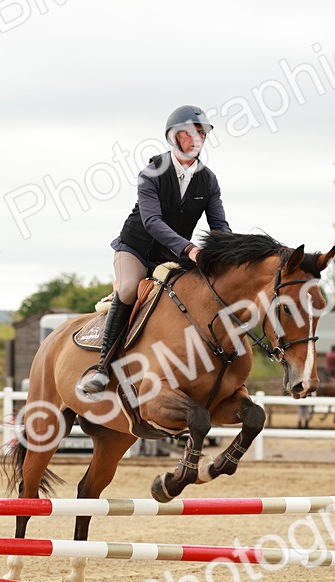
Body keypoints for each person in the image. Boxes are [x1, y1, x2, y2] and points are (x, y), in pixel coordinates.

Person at [77, 104, 232, 396]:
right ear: (173, 136)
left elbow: (219, 225)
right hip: (135, 249)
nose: (197, 138)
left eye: (202, 132)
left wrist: (227, 255)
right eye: (190, 132)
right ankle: (102, 368)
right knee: (127, 290)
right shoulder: (152, 172)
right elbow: (151, 221)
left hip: (172, 255)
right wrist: (189, 250)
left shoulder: (208, 179)